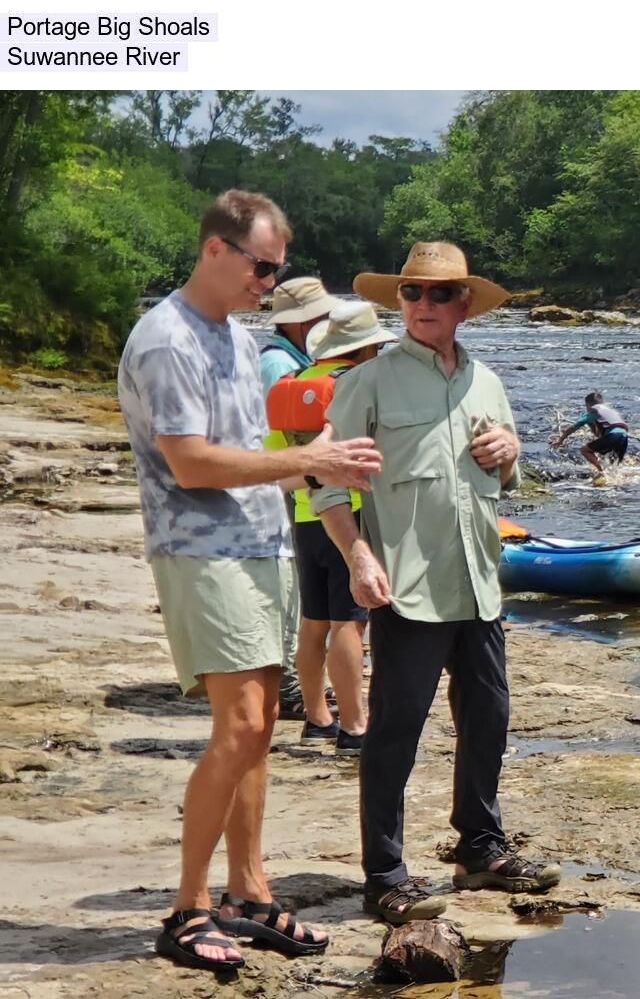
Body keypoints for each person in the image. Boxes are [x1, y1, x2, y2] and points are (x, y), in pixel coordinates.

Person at [120, 190, 381, 971]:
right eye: (261, 266)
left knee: (262, 724)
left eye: (277, 270)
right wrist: (307, 460)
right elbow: (191, 461)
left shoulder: (234, 335)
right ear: (215, 249)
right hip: (202, 550)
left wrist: (316, 447)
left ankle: (248, 892)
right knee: (238, 725)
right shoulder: (168, 340)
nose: (268, 283)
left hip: (260, 545)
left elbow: (251, 444)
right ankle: (187, 909)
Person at [314, 241, 562, 925]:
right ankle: (385, 876)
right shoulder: (368, 381)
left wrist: (513, 453)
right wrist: (360, 559)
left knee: (490, 718)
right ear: (398, 301)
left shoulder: (486, 379)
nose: (423, 304)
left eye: (439, 294)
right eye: (411, 293)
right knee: (395, 731)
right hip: (408, 588)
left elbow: (508, 470)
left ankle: (479, 846)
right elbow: (327, 491)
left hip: (480, 583)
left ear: (464, 305)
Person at [263, 301, 395, 757]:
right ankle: (355, 726)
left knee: (313, 621)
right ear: (362, 351)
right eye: (375, 348)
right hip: (349, 514)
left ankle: (317, 718)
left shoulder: (292, 383)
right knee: (350, 624)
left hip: (303, 513)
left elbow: (278, 456)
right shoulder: (355, 386)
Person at [258, 277, 346, 716]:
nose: (329, 319)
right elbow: (287, 435)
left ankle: (303, 691)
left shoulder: (293, 360)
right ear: (302, 321)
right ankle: (295, 691)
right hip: (294, 492)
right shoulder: (280, 366)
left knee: (305, 602)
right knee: (303, 601)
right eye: (323, 313)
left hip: (292, 488)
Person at [551, 391, 629, 477]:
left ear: (588, 405)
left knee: (585, 450)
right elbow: (602, 434)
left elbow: (573, 427)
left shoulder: (593, 413)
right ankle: (613, 477)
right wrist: (592, 425)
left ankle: (601, 472)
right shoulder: (610, 411)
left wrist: (560, 440)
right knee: (613, 463)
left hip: (613, 435)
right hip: (624, 436)